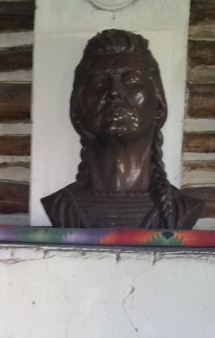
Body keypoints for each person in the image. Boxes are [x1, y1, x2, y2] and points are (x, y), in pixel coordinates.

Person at [41, 29, 202, 229]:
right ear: (76, 113)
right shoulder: (61, 207)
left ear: (159, 107)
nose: (114, 92)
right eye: (98, 82)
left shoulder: (181, 209)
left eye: (131, 81)